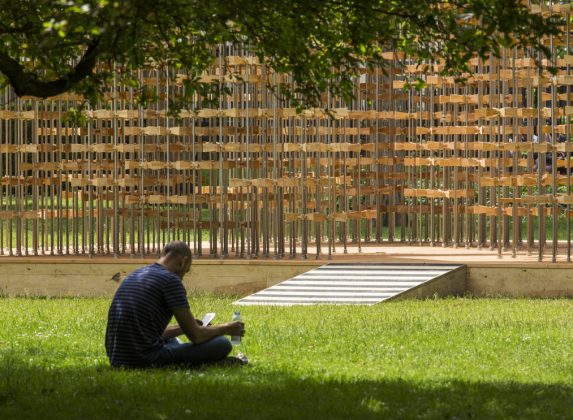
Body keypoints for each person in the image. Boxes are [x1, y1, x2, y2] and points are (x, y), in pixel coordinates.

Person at [105, 240, 246, 368]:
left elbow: (150, 333)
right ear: (183, 262)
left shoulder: (137, 274)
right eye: (187, 270)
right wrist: (227, 328)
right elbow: (197, 336)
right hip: (144, 359)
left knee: (173, 339)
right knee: (222, 344)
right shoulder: (171, 281)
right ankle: (210, 362)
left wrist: (182, 328)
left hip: (118, 357)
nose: (183, 276)